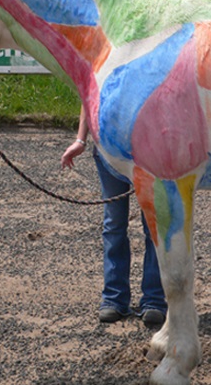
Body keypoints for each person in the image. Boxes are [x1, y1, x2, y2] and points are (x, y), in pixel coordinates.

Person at [61, 108, 167, 327]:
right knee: (114, 224)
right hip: (108, 149)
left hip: (148, 149)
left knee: (151, 225)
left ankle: (154, 299)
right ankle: (115, 297)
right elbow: (89, 97)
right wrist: (81, 140)